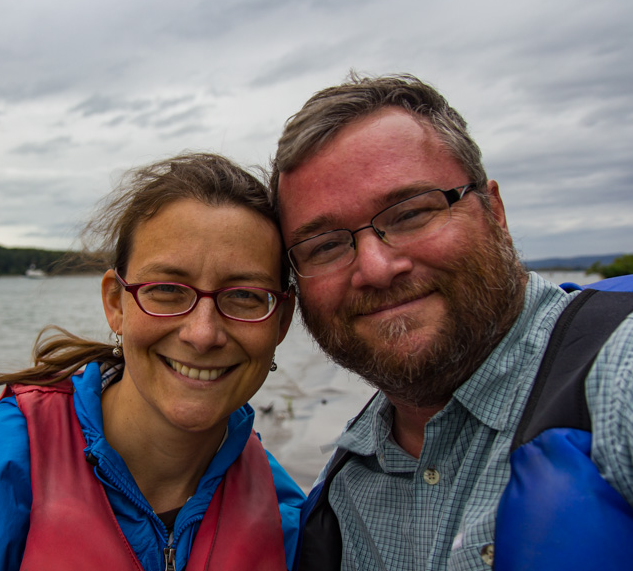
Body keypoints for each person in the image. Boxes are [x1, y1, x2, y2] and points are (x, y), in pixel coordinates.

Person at [0, 153, 304, 570]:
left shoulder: (289, 517)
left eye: (244, 296)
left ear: (280, 321)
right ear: (116, 303)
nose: (202, 334)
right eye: (167, 290)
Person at [270, 73, 633, 570]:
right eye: (326, 245)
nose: (374, 269)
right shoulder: (336, 505)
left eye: (411, 214)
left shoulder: (617, 376)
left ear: (495, 212)